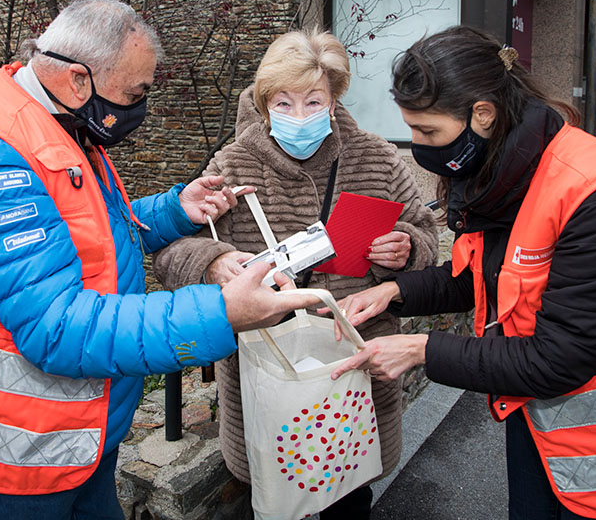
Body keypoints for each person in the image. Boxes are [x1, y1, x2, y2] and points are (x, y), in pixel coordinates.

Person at [0, 0, 322, 520]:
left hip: (80, 431)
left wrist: (172, 210)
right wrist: (221, 312)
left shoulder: (58, 118)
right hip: (20, 453)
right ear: (78, 79)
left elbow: (84, 234)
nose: (140, 107)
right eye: (136, 92)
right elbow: (56, 326)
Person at [330, 26, 596, 520]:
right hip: (540, 423)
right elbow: (480, 278)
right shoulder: (502, 171)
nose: (417, 146)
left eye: (428, 132)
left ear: (482, 114)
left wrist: (420, 349)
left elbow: (560, 358)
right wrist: (395, 292)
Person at [152, 29, 438, 518]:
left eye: (313, 100)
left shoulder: (377, 157)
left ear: (334, 99)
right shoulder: (234, 163)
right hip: (270, 368)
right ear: (264, 105)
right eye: (283, 103)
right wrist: (213, 261)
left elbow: (426, 234)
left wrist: (408, 247)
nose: (300, 116)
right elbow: (171, 251)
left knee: (349, 491)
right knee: (276, 493)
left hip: (354, 364)